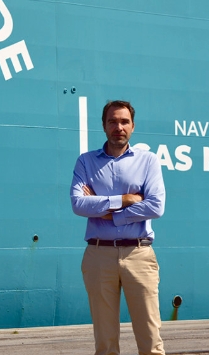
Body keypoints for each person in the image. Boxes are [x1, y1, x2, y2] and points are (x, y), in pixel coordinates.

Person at [70, 100, 166, 355]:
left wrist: (109, 214)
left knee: (150, 338)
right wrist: (124, 200)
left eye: (124, 122)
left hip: (139, 253)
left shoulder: (148, 161)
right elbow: (79, 204)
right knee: (105, 341)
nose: (118, 127)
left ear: (133, 126)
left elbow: (156, 207)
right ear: (104, 126)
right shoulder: (86, 162)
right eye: (112, 121)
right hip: (99, 256)